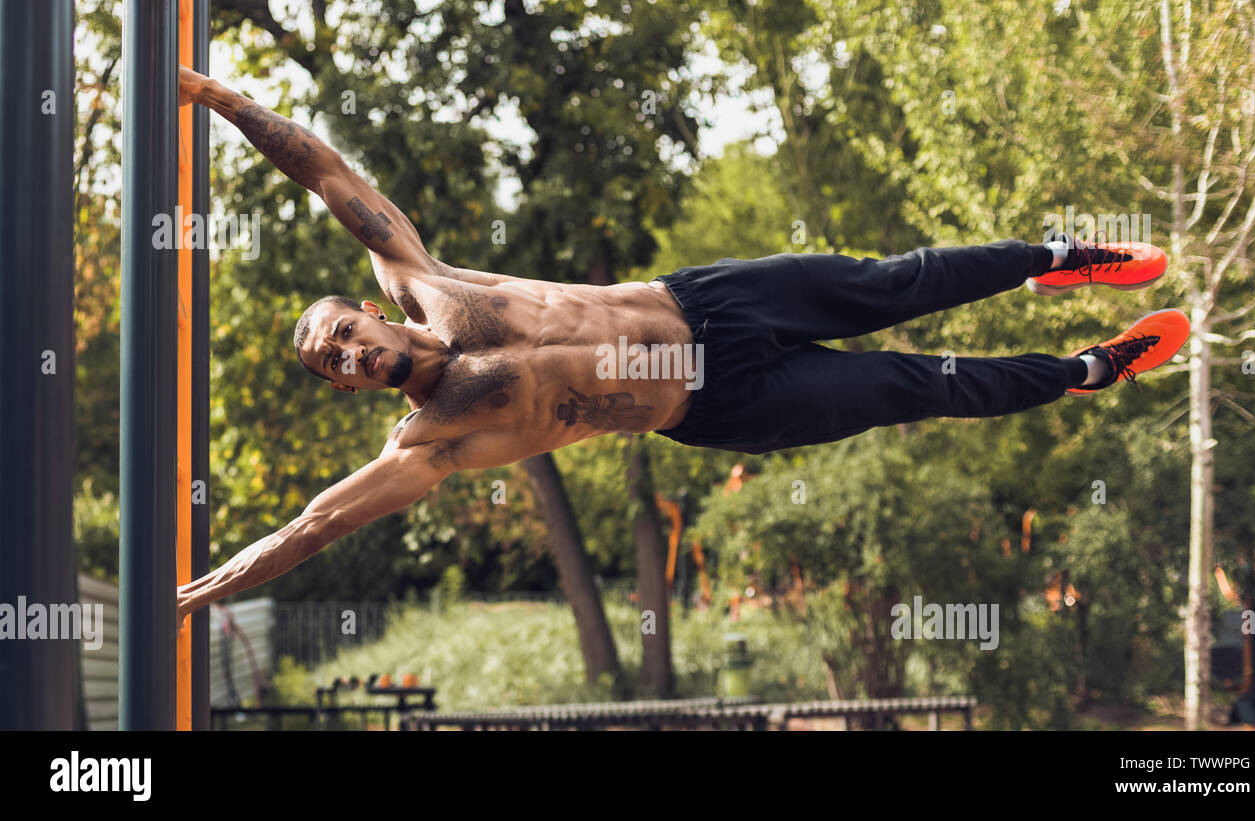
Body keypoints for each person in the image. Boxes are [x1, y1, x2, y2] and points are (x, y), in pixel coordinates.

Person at [174, 68, 1190, 620]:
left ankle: (1053, 255)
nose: (352, 354)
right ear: (351, 386)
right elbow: (310, 528)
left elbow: (325, 173)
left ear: (370, 310)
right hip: (713, 403)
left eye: (345, 334)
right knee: (914, 384)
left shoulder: (425, 279)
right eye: (336, 365)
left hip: (708, 303)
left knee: (894, 281)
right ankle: (1089, 367)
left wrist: (218, 100)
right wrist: (197, 592)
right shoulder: (428, 442)